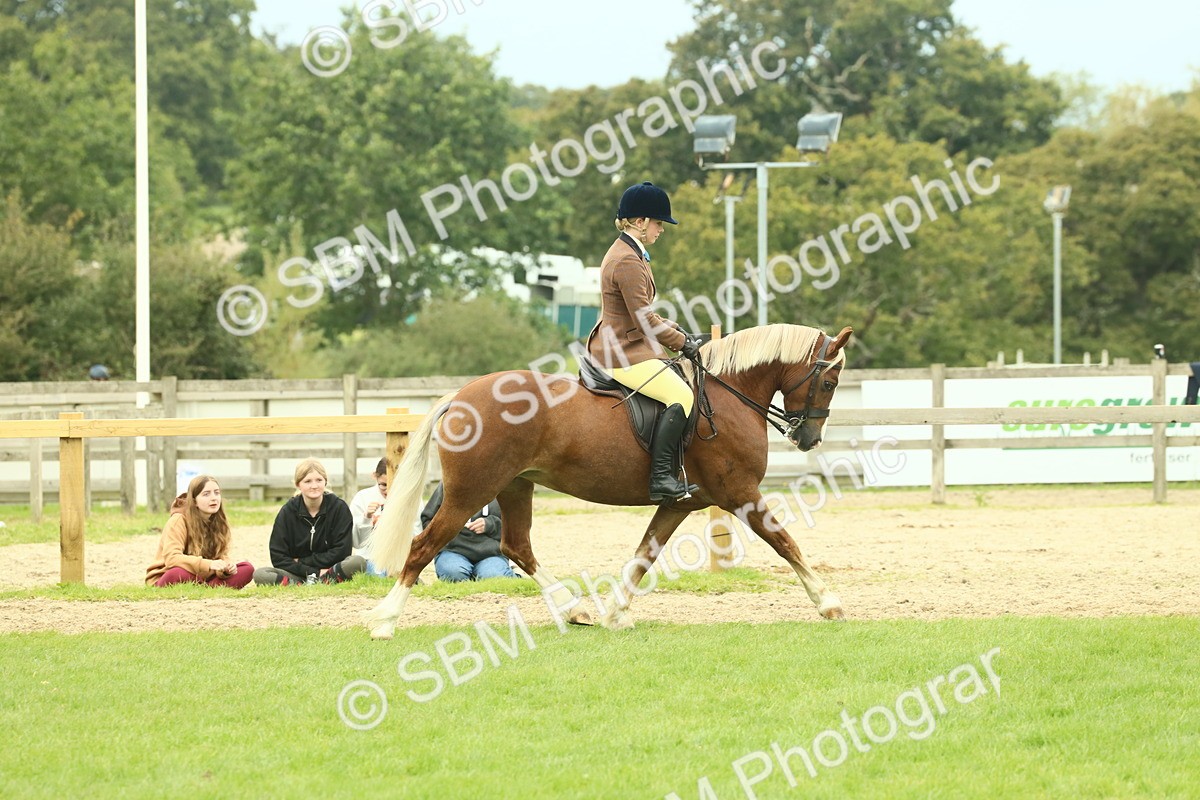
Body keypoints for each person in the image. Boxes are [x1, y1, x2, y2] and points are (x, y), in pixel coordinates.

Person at [584, 180, 701, 503]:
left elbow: (644, 312)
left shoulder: (631, 253)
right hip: (620, 352)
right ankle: (662, 477)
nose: (661, 230)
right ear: (639, 222)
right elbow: (645, 320)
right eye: (658, 223)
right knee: (681, 395)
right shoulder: (627, 260)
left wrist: (679, 331)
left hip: (626, 342)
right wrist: (681, 343)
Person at [253, 458, 366, 585]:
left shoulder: (339, 508)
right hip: (297, 574)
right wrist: (313, 572)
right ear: (298, 484)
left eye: (319, 480)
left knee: (357, 562)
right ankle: (316, 582)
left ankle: (314, 582)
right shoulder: (287, 511)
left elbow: (342, 551)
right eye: (307, 481)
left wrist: (301, 561)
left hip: (330, 570)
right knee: (261, 574)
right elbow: (278, 557)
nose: (314, 486)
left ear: (325, 482)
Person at [145, 475, 254, 588]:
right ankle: (210, 587)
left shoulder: (219, 521)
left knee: (247, 568)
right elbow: (172, 558)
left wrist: (226, 567)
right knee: (177, 573)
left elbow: (220, 556)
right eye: (206, 494)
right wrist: (209, 564)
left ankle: (205, 587)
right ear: (194, 501)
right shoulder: (178, 520)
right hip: (171, 574)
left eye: (216, 493)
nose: (213, 498)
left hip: (204, 576)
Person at [420, 483, 513, 582]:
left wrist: (490, 524)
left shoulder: (502, 484)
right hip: (452, 551)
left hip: (492, 553)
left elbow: (515, 526)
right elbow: (428, 520)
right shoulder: (448, 483)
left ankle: (495, 573)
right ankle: (471, 574)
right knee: (453, 574)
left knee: (492, 577)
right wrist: (449, 526)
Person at [349, 457, 390, 576]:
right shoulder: (362, 497)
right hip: (370, 556)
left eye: (393, 485)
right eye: (383, 485)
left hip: (399, 556)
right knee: (378, 575)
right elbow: (357, 543)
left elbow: (417, 533)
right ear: (374, 476)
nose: (387, 491)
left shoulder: (412, 500)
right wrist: (366, 519)